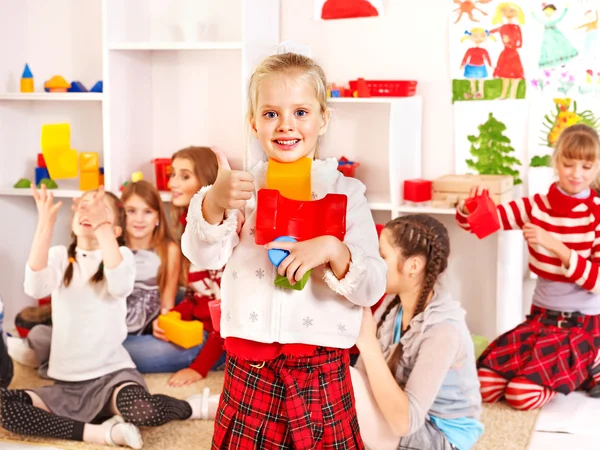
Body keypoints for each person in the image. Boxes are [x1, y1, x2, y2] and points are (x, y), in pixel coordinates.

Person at [182, 50, 387, 449]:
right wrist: (214, 202)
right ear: (254, 122)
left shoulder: (347, 193)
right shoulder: (241, 190)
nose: (285, 125)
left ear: (323, 118)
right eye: (271, 113)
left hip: (321, 368)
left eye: (301, 112)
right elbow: (203, 255)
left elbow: (371, 288)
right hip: (250, 366)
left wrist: (332, 249)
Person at [0, 186, 212, 449]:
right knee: (4, 409)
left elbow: (120, 284)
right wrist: (45, 223)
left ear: (115, 231)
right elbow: (35, 287)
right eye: (84, 205)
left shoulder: (121, 257)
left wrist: (100, 226)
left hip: (112, 377)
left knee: (143, 411)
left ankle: (194, 407)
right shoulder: (58, 257)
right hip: (66, 385)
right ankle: (102, 434)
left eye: (100, 209)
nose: (90, 211)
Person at [457, 124, 600, 409]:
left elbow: (596, 282)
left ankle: (589, 363)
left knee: (521, 395)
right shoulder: (537, 206)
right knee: (483, 386)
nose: (577, 173)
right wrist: (468, 209)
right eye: (569, 163)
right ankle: (571, 369)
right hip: (540, 320)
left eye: (587, 166)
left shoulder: (596, 214)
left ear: (597, 168)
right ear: (556, 162)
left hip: (580, 327)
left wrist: (555, 245)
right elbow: (487, 223)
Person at [352, 215, 483, 450]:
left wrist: (368, 344)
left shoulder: (443, 329)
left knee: (346, 382)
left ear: (413, 266)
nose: (375, 264)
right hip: (402, 419)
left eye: (382, 256)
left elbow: (405, 423)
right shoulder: (393, 306)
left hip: (439, 436)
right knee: (339, 379)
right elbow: (364, 379)